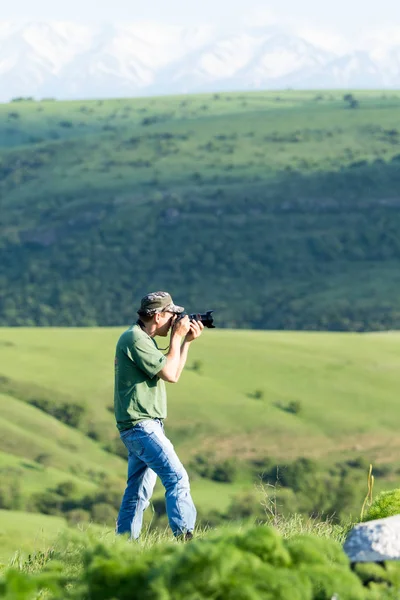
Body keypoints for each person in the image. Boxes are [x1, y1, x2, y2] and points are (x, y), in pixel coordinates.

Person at [114, 291, 204, 540]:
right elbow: (170, 373)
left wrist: (185, 342)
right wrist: (176, 338)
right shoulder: (135, 339)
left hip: (141, 425)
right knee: (177, 477)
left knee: (137, 493)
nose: (176, 319)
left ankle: (124, 548)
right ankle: (185, 540)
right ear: (158, 315)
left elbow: (173, 371)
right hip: (141, 426)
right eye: (172, 314)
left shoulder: (143, 339)